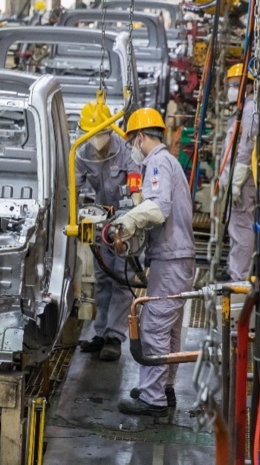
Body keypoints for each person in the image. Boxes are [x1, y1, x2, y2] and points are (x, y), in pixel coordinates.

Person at [114, 107, 196, 417]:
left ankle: (152, 398)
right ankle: (163, 387)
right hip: (177, 257)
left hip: (172, 259)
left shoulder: (158, 163)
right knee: (169, 329)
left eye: (131, 142)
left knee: (154, 328)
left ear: (138, 138)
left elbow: (158, 208)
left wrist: (127, 223)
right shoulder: (170, 161)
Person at [75, 102, 139, 362]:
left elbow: (136, 180)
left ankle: (114, 336)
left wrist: (134, 211)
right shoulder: (80, 152)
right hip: (101, 220)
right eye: (92, 134)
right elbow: (75, 185)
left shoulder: (124, 150)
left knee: (121, 279)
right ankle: (101, 332)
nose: (97, 140)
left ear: (110, 130)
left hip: (125, 222)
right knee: (102, 278)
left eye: (101, 133)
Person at [218, 63, 258, 282]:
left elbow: (248, 145)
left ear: (249, 86)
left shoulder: (251, 110)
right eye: (231, 85)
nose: (232, 89)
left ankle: (239, 277)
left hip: (243, 179)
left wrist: (237, 178)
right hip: (236, 176)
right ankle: (236, 270)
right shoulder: (243, 109)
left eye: (236, 85)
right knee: (235, 225)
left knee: (241, 226)